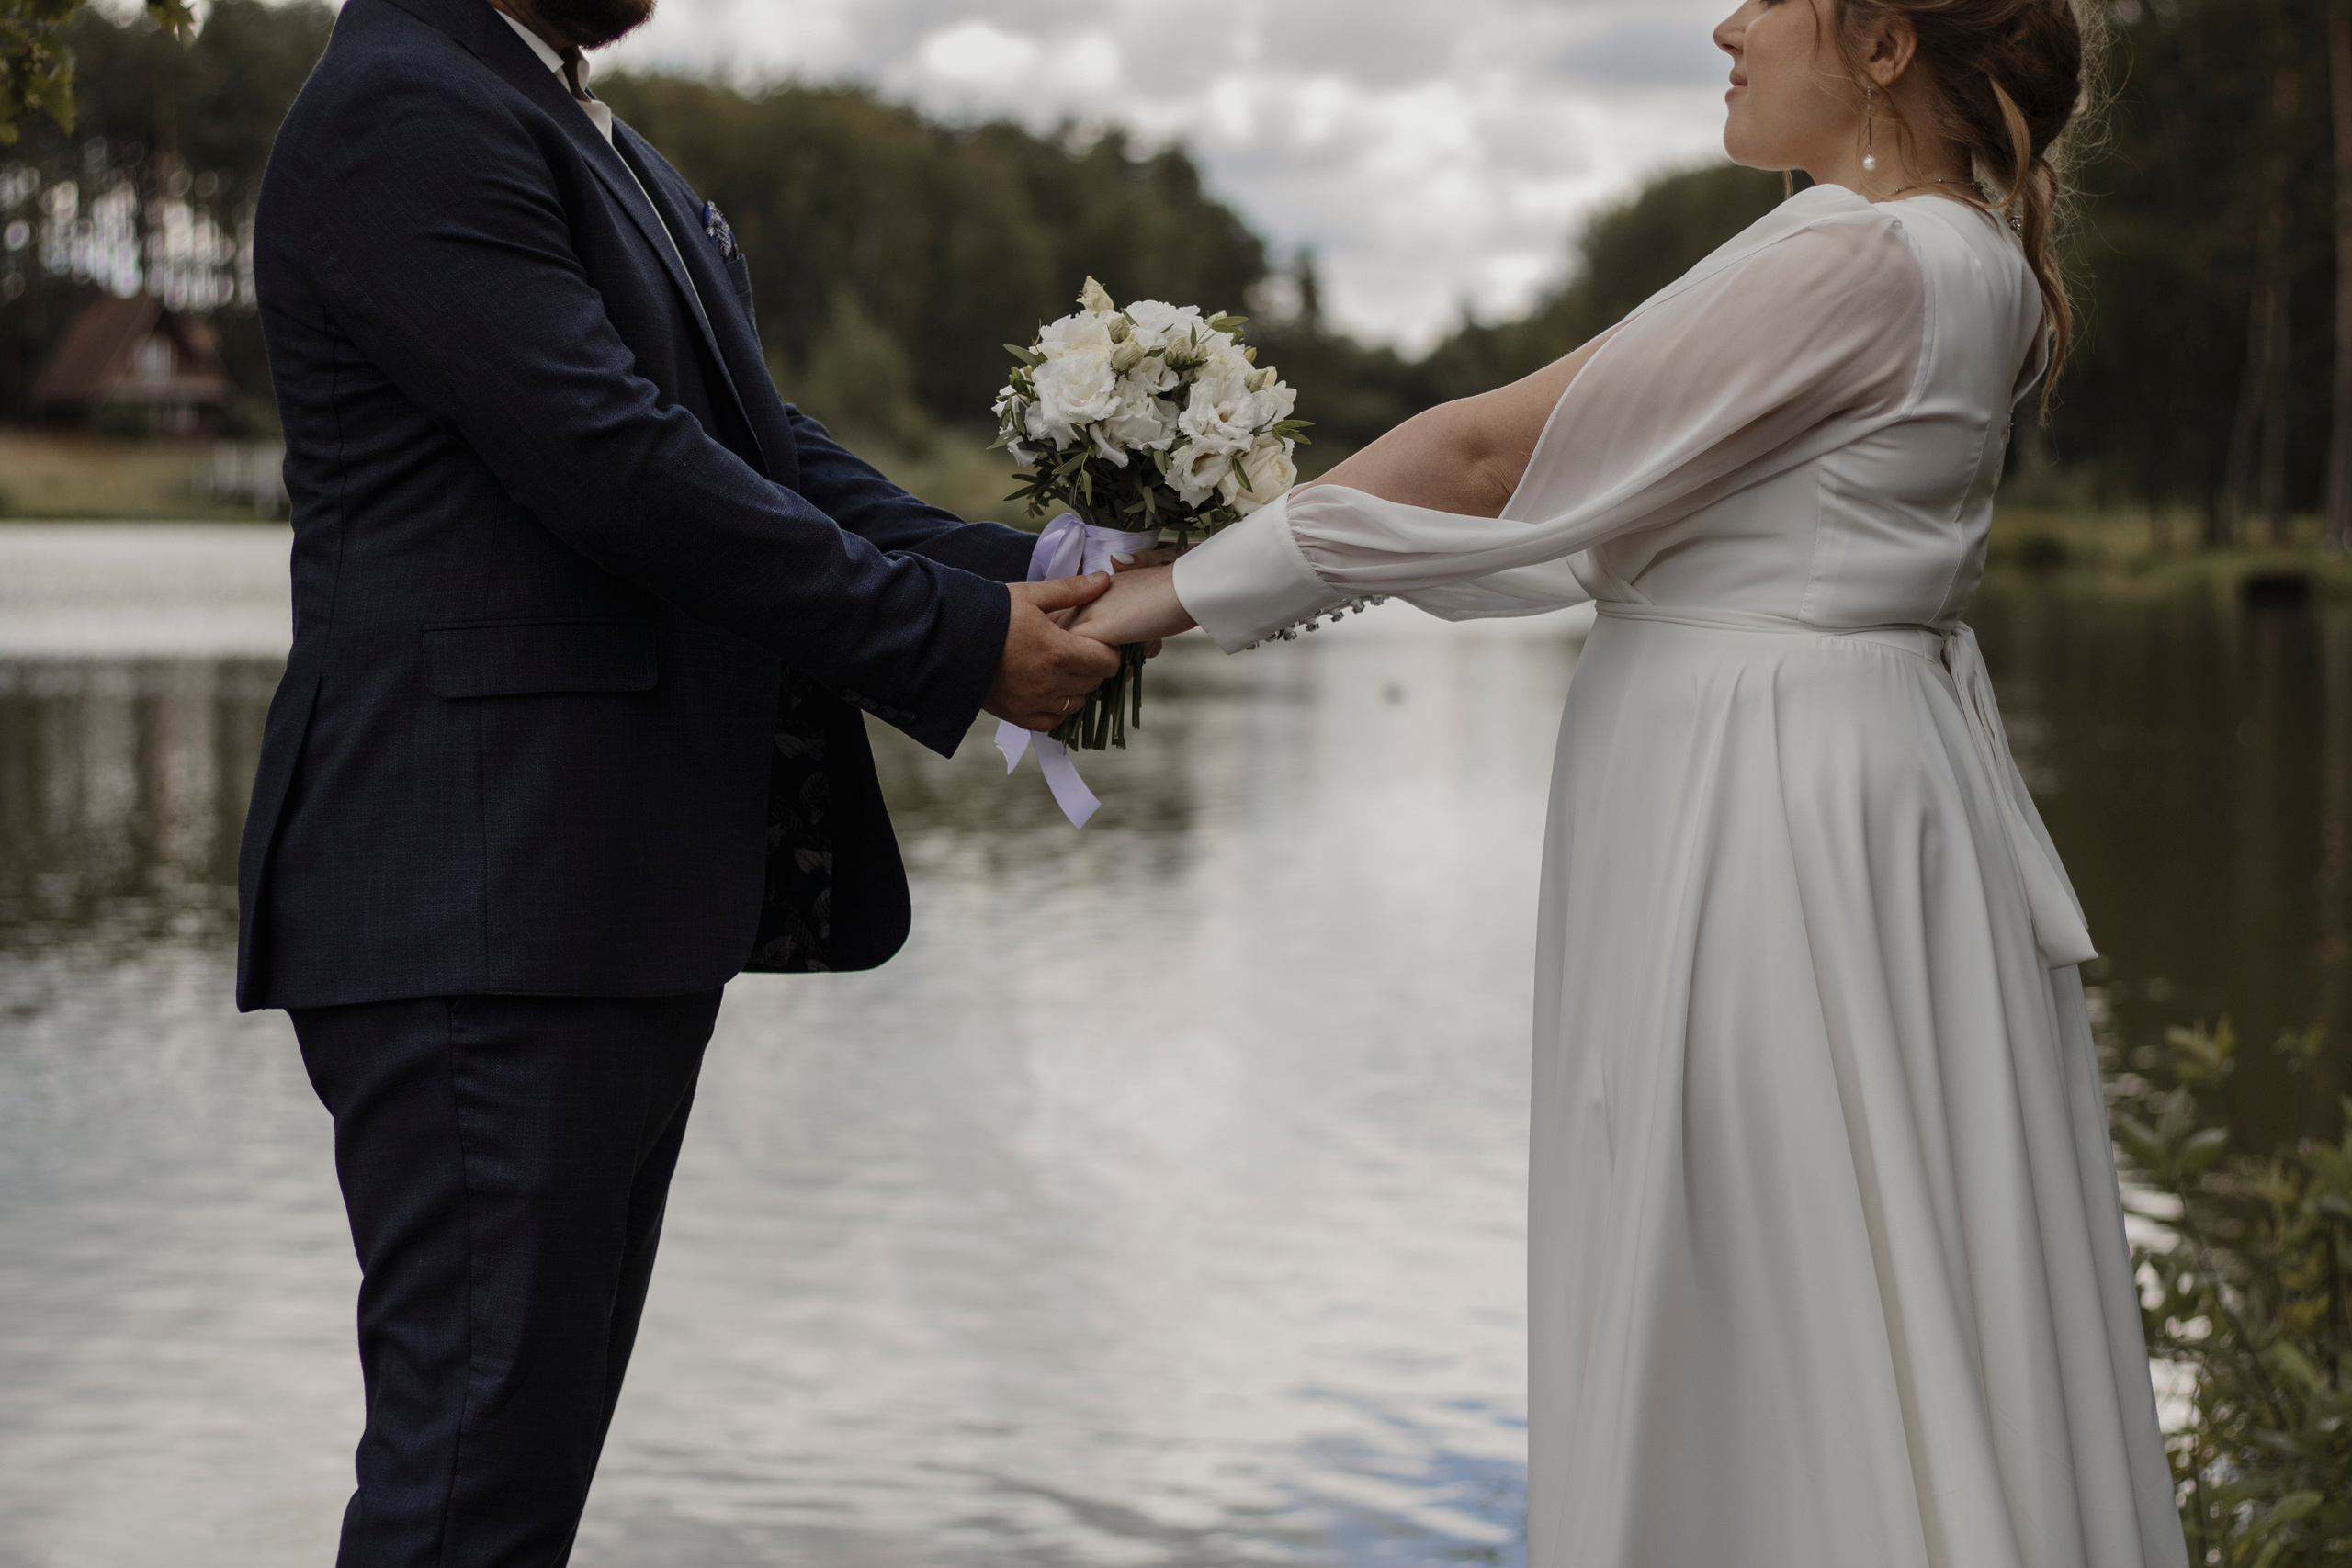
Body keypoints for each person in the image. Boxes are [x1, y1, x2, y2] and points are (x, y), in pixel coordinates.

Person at [1078, 1, 2190, 1562]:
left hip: (1760, 821)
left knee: (1747, 1273)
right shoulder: (1970, 257)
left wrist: (1151, 604)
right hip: (1866, 795)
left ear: (1883, 47)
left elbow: (1489, 462)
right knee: (1856, 1261)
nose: (1724, 24)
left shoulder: (1852, 254)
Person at [234, 0, 1127, 1560]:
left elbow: (754, 446)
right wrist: (948, 641)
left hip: (588, 896)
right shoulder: (406, 111)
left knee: (515, 1483)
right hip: (480, 892)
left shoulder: (573, 123)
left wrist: (1046, 577)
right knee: (470, 1487)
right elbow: (615, 462)